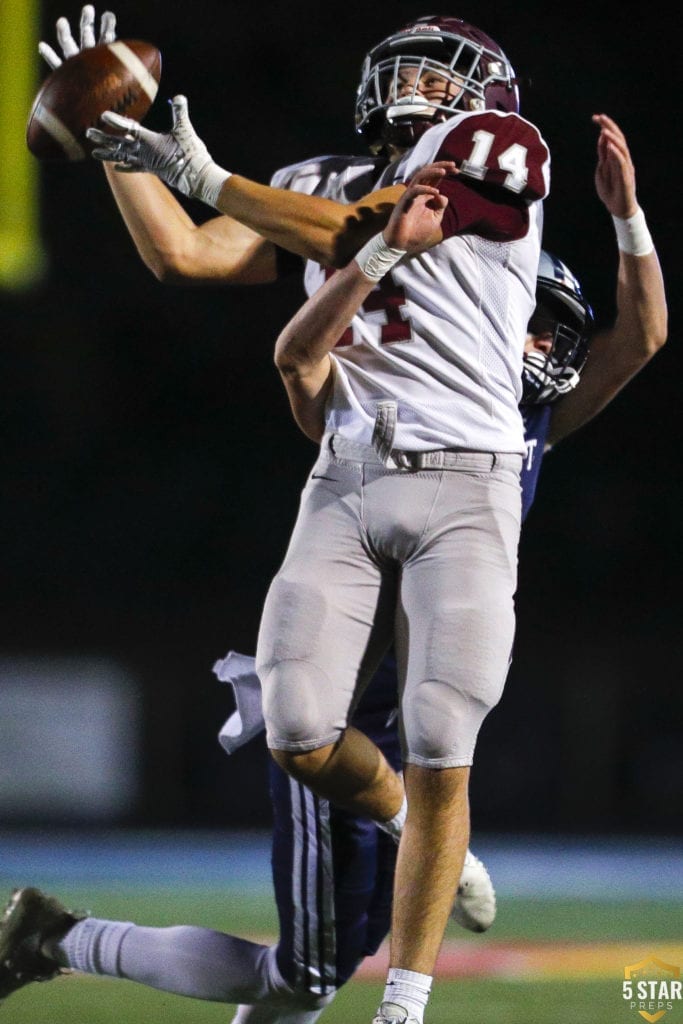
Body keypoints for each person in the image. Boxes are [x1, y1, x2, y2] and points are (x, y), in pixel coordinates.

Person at [0, 129, 666, 1019]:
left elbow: (641, 335)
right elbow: (259, 320)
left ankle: (52, 935)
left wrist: (625, 214)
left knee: (322, 963)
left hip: (405, 712)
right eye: (526, 319)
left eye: (549, 328)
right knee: (310, 973)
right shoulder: (382, 389)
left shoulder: (524, 429)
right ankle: (57, 938)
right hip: (345, 714)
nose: (535, 344)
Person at [88, 15, 552, 1024]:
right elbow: (188, 257)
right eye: (405, 70)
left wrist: (207, 177)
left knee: (439, 733)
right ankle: (400, 818)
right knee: (296, 728)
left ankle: (404, 1004)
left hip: (466, 473)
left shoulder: (503, 149)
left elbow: (362, 232)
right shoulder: (308, 175)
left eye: (439, 74)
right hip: (346, 470)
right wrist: (112, 144)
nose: (416, 85)